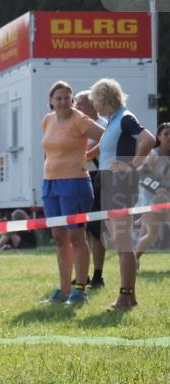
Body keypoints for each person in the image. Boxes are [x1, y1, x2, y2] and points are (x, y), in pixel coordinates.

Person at [89, 78, 157, 310]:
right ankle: (130, 296)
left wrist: (132, 165)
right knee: (120, 241)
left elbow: (148, 139)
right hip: (109, 182)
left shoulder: (125, 118)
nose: (93, 104)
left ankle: (125, 297)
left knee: (122, 242)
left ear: (104, 98)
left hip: (119, 184)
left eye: (95, 99)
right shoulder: (113, 121)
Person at [39, 81, 107, 305]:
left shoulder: (80, 119)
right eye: (58, 98)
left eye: (67, 97)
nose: (63, 101)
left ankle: (80, 289)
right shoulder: (48, 120)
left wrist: (88, 155)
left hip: (75, 183)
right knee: (59, 238)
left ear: (72, 100)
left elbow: (106, 136)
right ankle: (64, 289)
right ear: (51, 101)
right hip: (50, 184)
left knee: (76, 236)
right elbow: (49, 150)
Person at [74, 90, 108, 289]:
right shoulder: (77, 125)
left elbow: (86, 153)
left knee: (96, 230)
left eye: (81, 104)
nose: (76, 107)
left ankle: (97, 275)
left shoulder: (103, 126)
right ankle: (82, 274)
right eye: (76, 104)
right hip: (77, 177)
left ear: (94, 105)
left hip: (96, 178)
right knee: (78, 229)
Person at [134, 122, 170, 261]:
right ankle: (134, 259)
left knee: (147, 232)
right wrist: (157, 187)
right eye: (166, 134)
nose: (169, 137)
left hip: (167, 198)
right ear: (159, 137)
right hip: (150, 199)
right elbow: (142, 176)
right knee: (152, 234)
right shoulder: (154, 154)